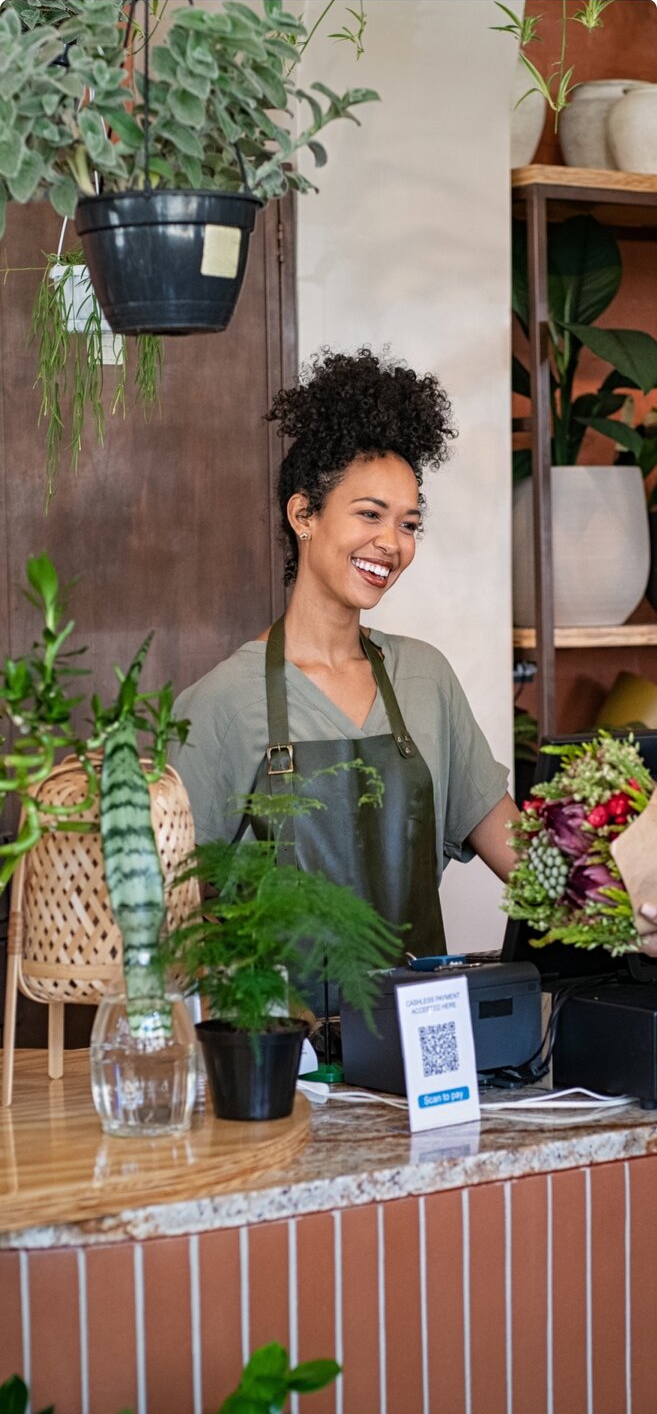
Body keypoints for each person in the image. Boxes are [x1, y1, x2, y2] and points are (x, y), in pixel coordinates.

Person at [170, 346, 519, 968]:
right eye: (369, 515)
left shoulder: (424, 678)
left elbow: (519, 854)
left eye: (409, 524)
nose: (391, 544)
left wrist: (619, 908)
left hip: (417, 1036)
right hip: (280, 1048)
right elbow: (172, 915)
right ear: (304, 514)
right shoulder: (221, 703)